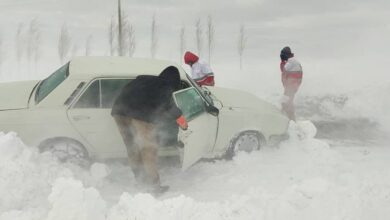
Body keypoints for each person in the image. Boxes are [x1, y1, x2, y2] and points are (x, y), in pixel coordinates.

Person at [111, 66, 188, 193]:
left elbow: (126, 90)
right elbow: (170, 107)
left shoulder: (144, 78)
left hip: (118, 113)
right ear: (174, 80)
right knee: (148, 151)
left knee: (132, 147)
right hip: (140, 116)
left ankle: (140, 180)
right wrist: (182, 122)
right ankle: (155, 186)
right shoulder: (165, 86)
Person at [280, 46, 303, 121]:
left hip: (292, 84)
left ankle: (290, 119)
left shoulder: (290, 62)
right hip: (295, 84)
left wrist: (282, 62)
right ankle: (289, 117)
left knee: (286, 100)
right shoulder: (294, 61)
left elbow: (283, 71)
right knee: (288, 99)